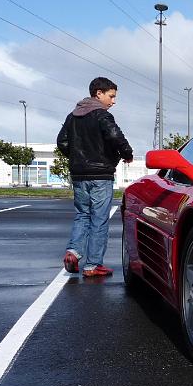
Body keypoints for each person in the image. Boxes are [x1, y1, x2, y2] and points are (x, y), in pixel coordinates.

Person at [58, 76, 133, 277]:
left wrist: (77, 158)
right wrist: (127, 153)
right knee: (99, 219)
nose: (113, 101)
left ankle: (73, 252)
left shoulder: (73, 116)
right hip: (101, 175)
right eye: (111, 96)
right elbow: (115, 136)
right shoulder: (102, 115)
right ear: (98, 93)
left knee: (82, 214)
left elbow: (62, 142)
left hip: (79, 175)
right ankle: (93, 265)